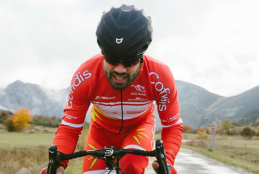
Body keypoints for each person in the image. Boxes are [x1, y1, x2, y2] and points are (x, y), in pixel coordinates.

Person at [40, 4, 183, 174]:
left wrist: (166, 160)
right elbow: (70, 127)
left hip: (139, 127)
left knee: (131, 166)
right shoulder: (85, 76)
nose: (120, 69)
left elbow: (172, 126)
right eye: (112, 58)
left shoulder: (160, 76)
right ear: (102, 51)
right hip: (100, 132)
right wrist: (58, 163)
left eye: (130, 60)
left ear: (142, 55)